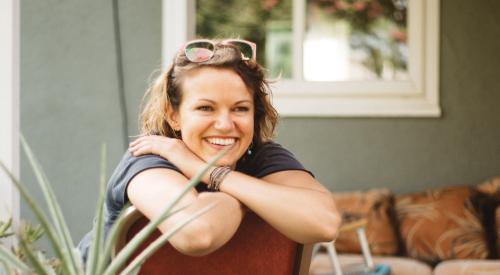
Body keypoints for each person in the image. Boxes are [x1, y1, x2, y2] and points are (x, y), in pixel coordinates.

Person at [78, 38, 340, 262]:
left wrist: (211, 174)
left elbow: (326, 223)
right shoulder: (149, 159)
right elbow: (197, 233)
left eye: (240, 108)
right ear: (174, 116)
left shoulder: (260, 156)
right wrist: (254, 197)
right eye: (205, 108)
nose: (225, 125)